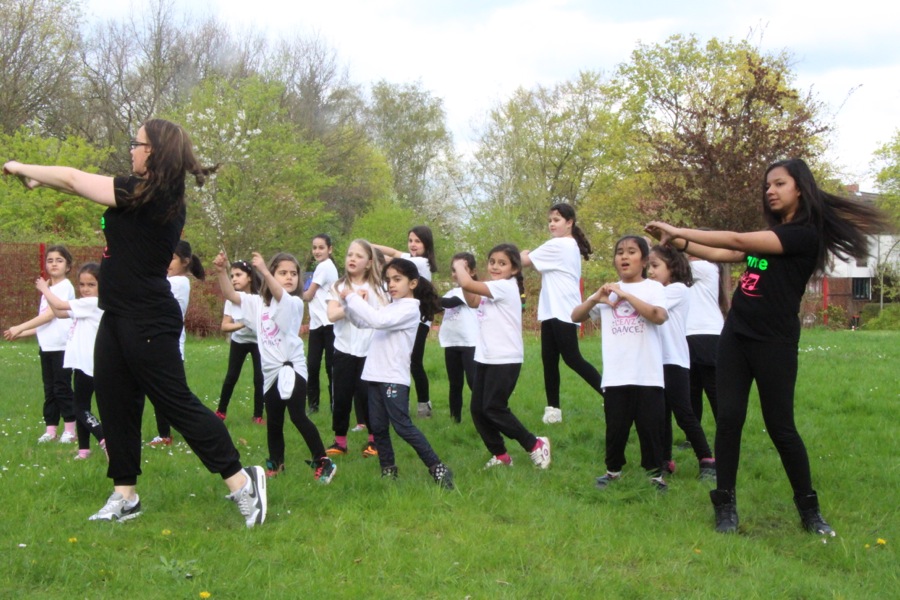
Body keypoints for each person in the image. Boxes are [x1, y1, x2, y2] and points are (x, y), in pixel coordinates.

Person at [3, 118, 267, 527]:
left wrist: (23, 168)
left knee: (175, 402)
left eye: (137, 143)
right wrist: (43, 183)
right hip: (117, 314)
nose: (131, 149)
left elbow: (74, 179)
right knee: (114, 402)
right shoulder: (141, 193)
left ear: (155, 152)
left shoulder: (152, 195)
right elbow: (77, 185)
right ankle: (125, 494)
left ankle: (242, 482)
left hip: (148, 317)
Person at [646, 158, 890, 535]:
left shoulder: (803, 235)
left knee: (781, 427)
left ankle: (809, 510)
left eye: (779, 184)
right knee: (728, 420)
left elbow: (737, 240)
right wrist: (680, 241)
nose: (770, 191)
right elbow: (724, 254)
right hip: (736, 337)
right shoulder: (773, 235)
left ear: (800, 189)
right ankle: (724, 504)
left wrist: (679, 228)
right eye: (767, 186)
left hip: (774, 342)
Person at [215, 251, 336, 484]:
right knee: (274, 420)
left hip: (292, 368)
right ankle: (276, 464)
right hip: (270, 373)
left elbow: (279, 294)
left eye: (293, 273)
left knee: (298, 416)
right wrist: (221, 271)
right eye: (283, 273)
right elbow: (231, 294)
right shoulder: (257, 303)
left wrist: (264, 271)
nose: (289, 277)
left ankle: (323, 461)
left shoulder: (294, 302)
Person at [342, 258, 454, 488]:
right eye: (388, 280)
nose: (391, 284)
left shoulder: (409, 309)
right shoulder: (393, 306)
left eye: (397, 279)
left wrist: (352, 297)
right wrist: (349, 306)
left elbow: (377, 320)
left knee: (403, 426)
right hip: (374, 376)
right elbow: (365, 323)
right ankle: (388, 471)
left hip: (393, 378)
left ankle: (438, 468)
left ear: (412, 283)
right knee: (379, 428)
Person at [571, 235, 669, 492]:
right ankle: (613, 471)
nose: (624, 257)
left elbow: (658, 316)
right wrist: (596, 299)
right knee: (615, 427)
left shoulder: (653, 288)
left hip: (647, 374)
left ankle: (656, 475)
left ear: (644, 260)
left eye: (631, 252)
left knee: (650, 427)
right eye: (619, 252)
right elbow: (575, 316)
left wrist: (625, 295)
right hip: (616, 375)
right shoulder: (607, 289)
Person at [453, 244, 552, 470]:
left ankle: (535, 443)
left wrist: (459, 266)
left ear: (514, 269)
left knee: (494, 407)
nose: (495, 266)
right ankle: (500, 455)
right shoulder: (493, 287)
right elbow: (472, 300)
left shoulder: (506, 287)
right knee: (478, 409)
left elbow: (467, 283)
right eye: (492, 262)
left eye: (502, 263)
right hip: (486, 357)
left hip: (505, 358)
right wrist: (466, 278)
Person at [521, 203, 603, 424]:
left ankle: (610, 394)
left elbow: (523, 261)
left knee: (572, 358)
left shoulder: (561, 244)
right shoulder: (564, 246)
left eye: (556, 220)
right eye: (550, 220)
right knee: (549, 360)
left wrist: (523, 253)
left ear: (569, 223)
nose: (551, 224)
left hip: (565, 310)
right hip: (551, 310)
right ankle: (553, 410)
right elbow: (540, 266)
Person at [647, 244, 716, 480]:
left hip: (674, 361)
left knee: (684, 414)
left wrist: (626, 290)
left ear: (673, 267)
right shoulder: (655, 291)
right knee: (660, 415)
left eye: (655, 266)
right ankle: (664, 461)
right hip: (656, 362)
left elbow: (649, 302)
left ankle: (707, 459)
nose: (651, 272)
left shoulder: (677, 290)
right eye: (648, 267)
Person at [3, 245, 77, 444]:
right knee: (50, 390)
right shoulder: (49, 289)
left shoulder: (64, 287)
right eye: (50, 260)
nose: (54, 264)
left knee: (62, 388)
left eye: (59, 260)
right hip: (47, 347)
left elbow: (51, 315)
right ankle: (51, 429)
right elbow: (45, 323)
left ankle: (70, 429)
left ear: (68, 266)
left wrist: (19, 326)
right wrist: (22, 333)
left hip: (62, 346)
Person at [35, 263, 106, 460]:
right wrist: (48, 296)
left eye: (91, 284)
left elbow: (59, 305)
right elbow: (58, 313)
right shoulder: (84, 304)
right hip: (81, 364)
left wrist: (45, 289)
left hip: (90, 364)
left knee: (79, 408)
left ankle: (103, 437)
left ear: (102, 285)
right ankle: (83, 449)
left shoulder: (94, 303)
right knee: (81, 403)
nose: (85, 289)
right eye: (82, 284)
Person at [326, 240, 386, 458]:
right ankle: (340, 442)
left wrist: (361, 303)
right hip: (343, 350)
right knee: (341, 396)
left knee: (367, 397)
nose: (352, 259)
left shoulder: (378, 289)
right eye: (350, 254)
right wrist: (350, 303)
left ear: (369, 263)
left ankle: (374, 441)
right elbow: (331, 315)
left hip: (370, 350)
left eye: (359, 256)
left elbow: (383, 318)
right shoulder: (338, 287)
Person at [374, 226, 437, 418]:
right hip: (405, 318)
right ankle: (402, 404)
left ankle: (424, 405)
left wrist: (368, 252)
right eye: (410, 240)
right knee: (405, 361)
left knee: (414, 362)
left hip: (418, 318)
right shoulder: (409, 259)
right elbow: (392, 252)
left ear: (426, 244)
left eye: (418, 241)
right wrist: (368, 246)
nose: (413, 245)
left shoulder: (420, 262)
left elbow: (390, 259)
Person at [149, 240, 205, 447]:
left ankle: (199, 429)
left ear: (185, 262)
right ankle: (165, 435)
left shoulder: (178, 282)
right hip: (162, 344)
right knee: (162, 393)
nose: (166, 262)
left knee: (176, 396)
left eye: (171, 257)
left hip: (169, 346)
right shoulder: (169, 280)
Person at [214, 259, 266, 424]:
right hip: (240, 341)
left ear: (249, 277)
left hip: (258, 342)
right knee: (231, 377)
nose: (234, 279)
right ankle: (221, 412)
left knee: (260, 378)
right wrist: (243, 323)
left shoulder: (261, 299)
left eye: (238, 275)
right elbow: (224, 326)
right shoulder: (232, 299)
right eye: (232, 276)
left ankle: (258, 416)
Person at [685, 256, 729, 428]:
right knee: (692, 390)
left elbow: (671, 265)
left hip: (706, 334)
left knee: (712, 389)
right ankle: (694, 437)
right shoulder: (691, 270)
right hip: (689, 334)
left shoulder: (705, 266)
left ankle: (726, 433)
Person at [301, 234, 339, 415]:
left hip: (329, 323)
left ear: (330, 249)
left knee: (329, 366)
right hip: (317, 324)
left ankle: (333, 405)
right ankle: (314, 406)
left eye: (321, 247)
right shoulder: (319, 267)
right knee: (313, 365)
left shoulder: (325, 267)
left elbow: (308, 295)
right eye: (314, 247)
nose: (317, 251)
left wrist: (286, 291)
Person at [439, 252, 479, 423]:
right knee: (455, 384)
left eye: (462, 269)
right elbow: (438, 305)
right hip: (451, 342)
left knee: (473, 381)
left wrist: (425, 292)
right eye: (454, 270)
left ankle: (483, 415)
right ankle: (455, 419)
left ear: (472, 271)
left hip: (469, 343)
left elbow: (449, 303)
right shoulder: (451, 291)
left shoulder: (471, 289)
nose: (456, 273)